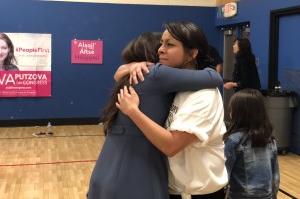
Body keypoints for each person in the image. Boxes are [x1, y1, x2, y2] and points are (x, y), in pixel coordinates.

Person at [87, 30, 223, 199]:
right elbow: (214, 77)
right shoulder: (155, 74)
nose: (162, 49)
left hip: (106, 170)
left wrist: (127, 66)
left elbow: (118, 74)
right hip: (136, 176)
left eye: (169, 44)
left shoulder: (129, 76)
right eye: (161, 44)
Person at [223, 89, 280, 199]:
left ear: (238, 113)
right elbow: (275, 177)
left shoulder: (234, 140)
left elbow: (224, 175)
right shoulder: (269, 139)